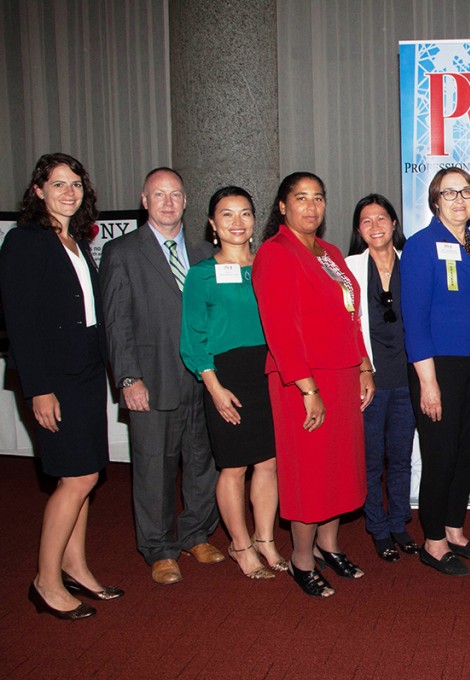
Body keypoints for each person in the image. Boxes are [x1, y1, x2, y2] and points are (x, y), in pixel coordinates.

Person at [1, 153, 122, 620]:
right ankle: (45, 581)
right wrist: (38, 388)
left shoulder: (75, 241)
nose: (68, 192)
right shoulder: (24, 241)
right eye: (57, 184)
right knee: (76, 478)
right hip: (55, 379)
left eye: (75, 184)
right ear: (38, 192)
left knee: (87, 473)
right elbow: (21, 321)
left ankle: (76, 567)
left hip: (88, 373)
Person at [252, 172, 374, 597]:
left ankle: (329, 545)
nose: (311, 206)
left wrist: (364, 366)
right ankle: (301, 559)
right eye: (300, 198)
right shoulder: (274, 252)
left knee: (339, 467)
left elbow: (351, 315)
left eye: (318, 198)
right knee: (309, 472)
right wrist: (308, 389)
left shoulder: (330, 252)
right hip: (301, 381)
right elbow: (281, 329)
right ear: (282, 206)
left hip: (341, 376)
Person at [101, 167, 222, 585]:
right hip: (151, 379)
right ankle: (159, 548)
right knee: (154, 468)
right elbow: (115, 323)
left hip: (203, 379)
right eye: (159, 194)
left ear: (186, 202)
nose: (168, 202)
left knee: (203, 462)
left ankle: (196, 534)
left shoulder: (206, 253)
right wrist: (128, 378)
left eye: (176, 194)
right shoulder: (123, 253)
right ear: (144, 200)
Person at [401, 168, 470, 576]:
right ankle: (432, 540)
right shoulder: (420, 246)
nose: (459, 199)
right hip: (437, 367)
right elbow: (415, 319)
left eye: (466, 192)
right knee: (441, 455)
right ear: (435, 200)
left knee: (467, 452)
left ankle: (455, 528)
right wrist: (428, 384)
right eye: (449, 193)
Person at [179, 186, 286, 580]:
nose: (237, 222)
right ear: (212, 224)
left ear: (255, 221)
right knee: (234, 467)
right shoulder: (202, 275)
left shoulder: (268, 265)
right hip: (225, 377)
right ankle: (240, 546)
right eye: (227, 214)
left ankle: (265, 539)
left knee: (269, 463)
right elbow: (192, 338)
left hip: (268, 372)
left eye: (244, 213)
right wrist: (214, 387)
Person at [345, 193, 420, 562]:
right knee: (372, 459)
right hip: (368, 377)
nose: (375, 226)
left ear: (394, 223)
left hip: (409, 377)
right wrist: (361, 368)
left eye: (381, 218)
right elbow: (343, 327)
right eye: (366, 221)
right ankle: (377, 527)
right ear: (359, 230)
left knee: (402, 457)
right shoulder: (346, 269)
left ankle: (399, 522)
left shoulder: (414, 264)